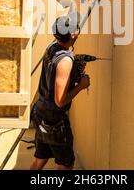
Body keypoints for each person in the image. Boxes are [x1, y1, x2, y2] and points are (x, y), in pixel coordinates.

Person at [30, 12, 90, 170]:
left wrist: (74, 69)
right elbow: (60, 100)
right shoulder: (64, 60)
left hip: (40, 111)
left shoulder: (52, 46)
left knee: (40, 159)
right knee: (65, 163)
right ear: (72, 34)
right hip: (54, 120)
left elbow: (53, 74)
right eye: (76, 27)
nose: (79, 28)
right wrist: (81, 85)